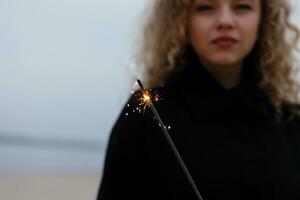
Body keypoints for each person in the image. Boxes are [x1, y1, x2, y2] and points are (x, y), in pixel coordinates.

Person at [97, 0, 300, 199]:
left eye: (242, 7)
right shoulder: (148, 115)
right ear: (181, 20)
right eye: (206, 8)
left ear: (264, 20)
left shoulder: (291, 120)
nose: (225, 21)